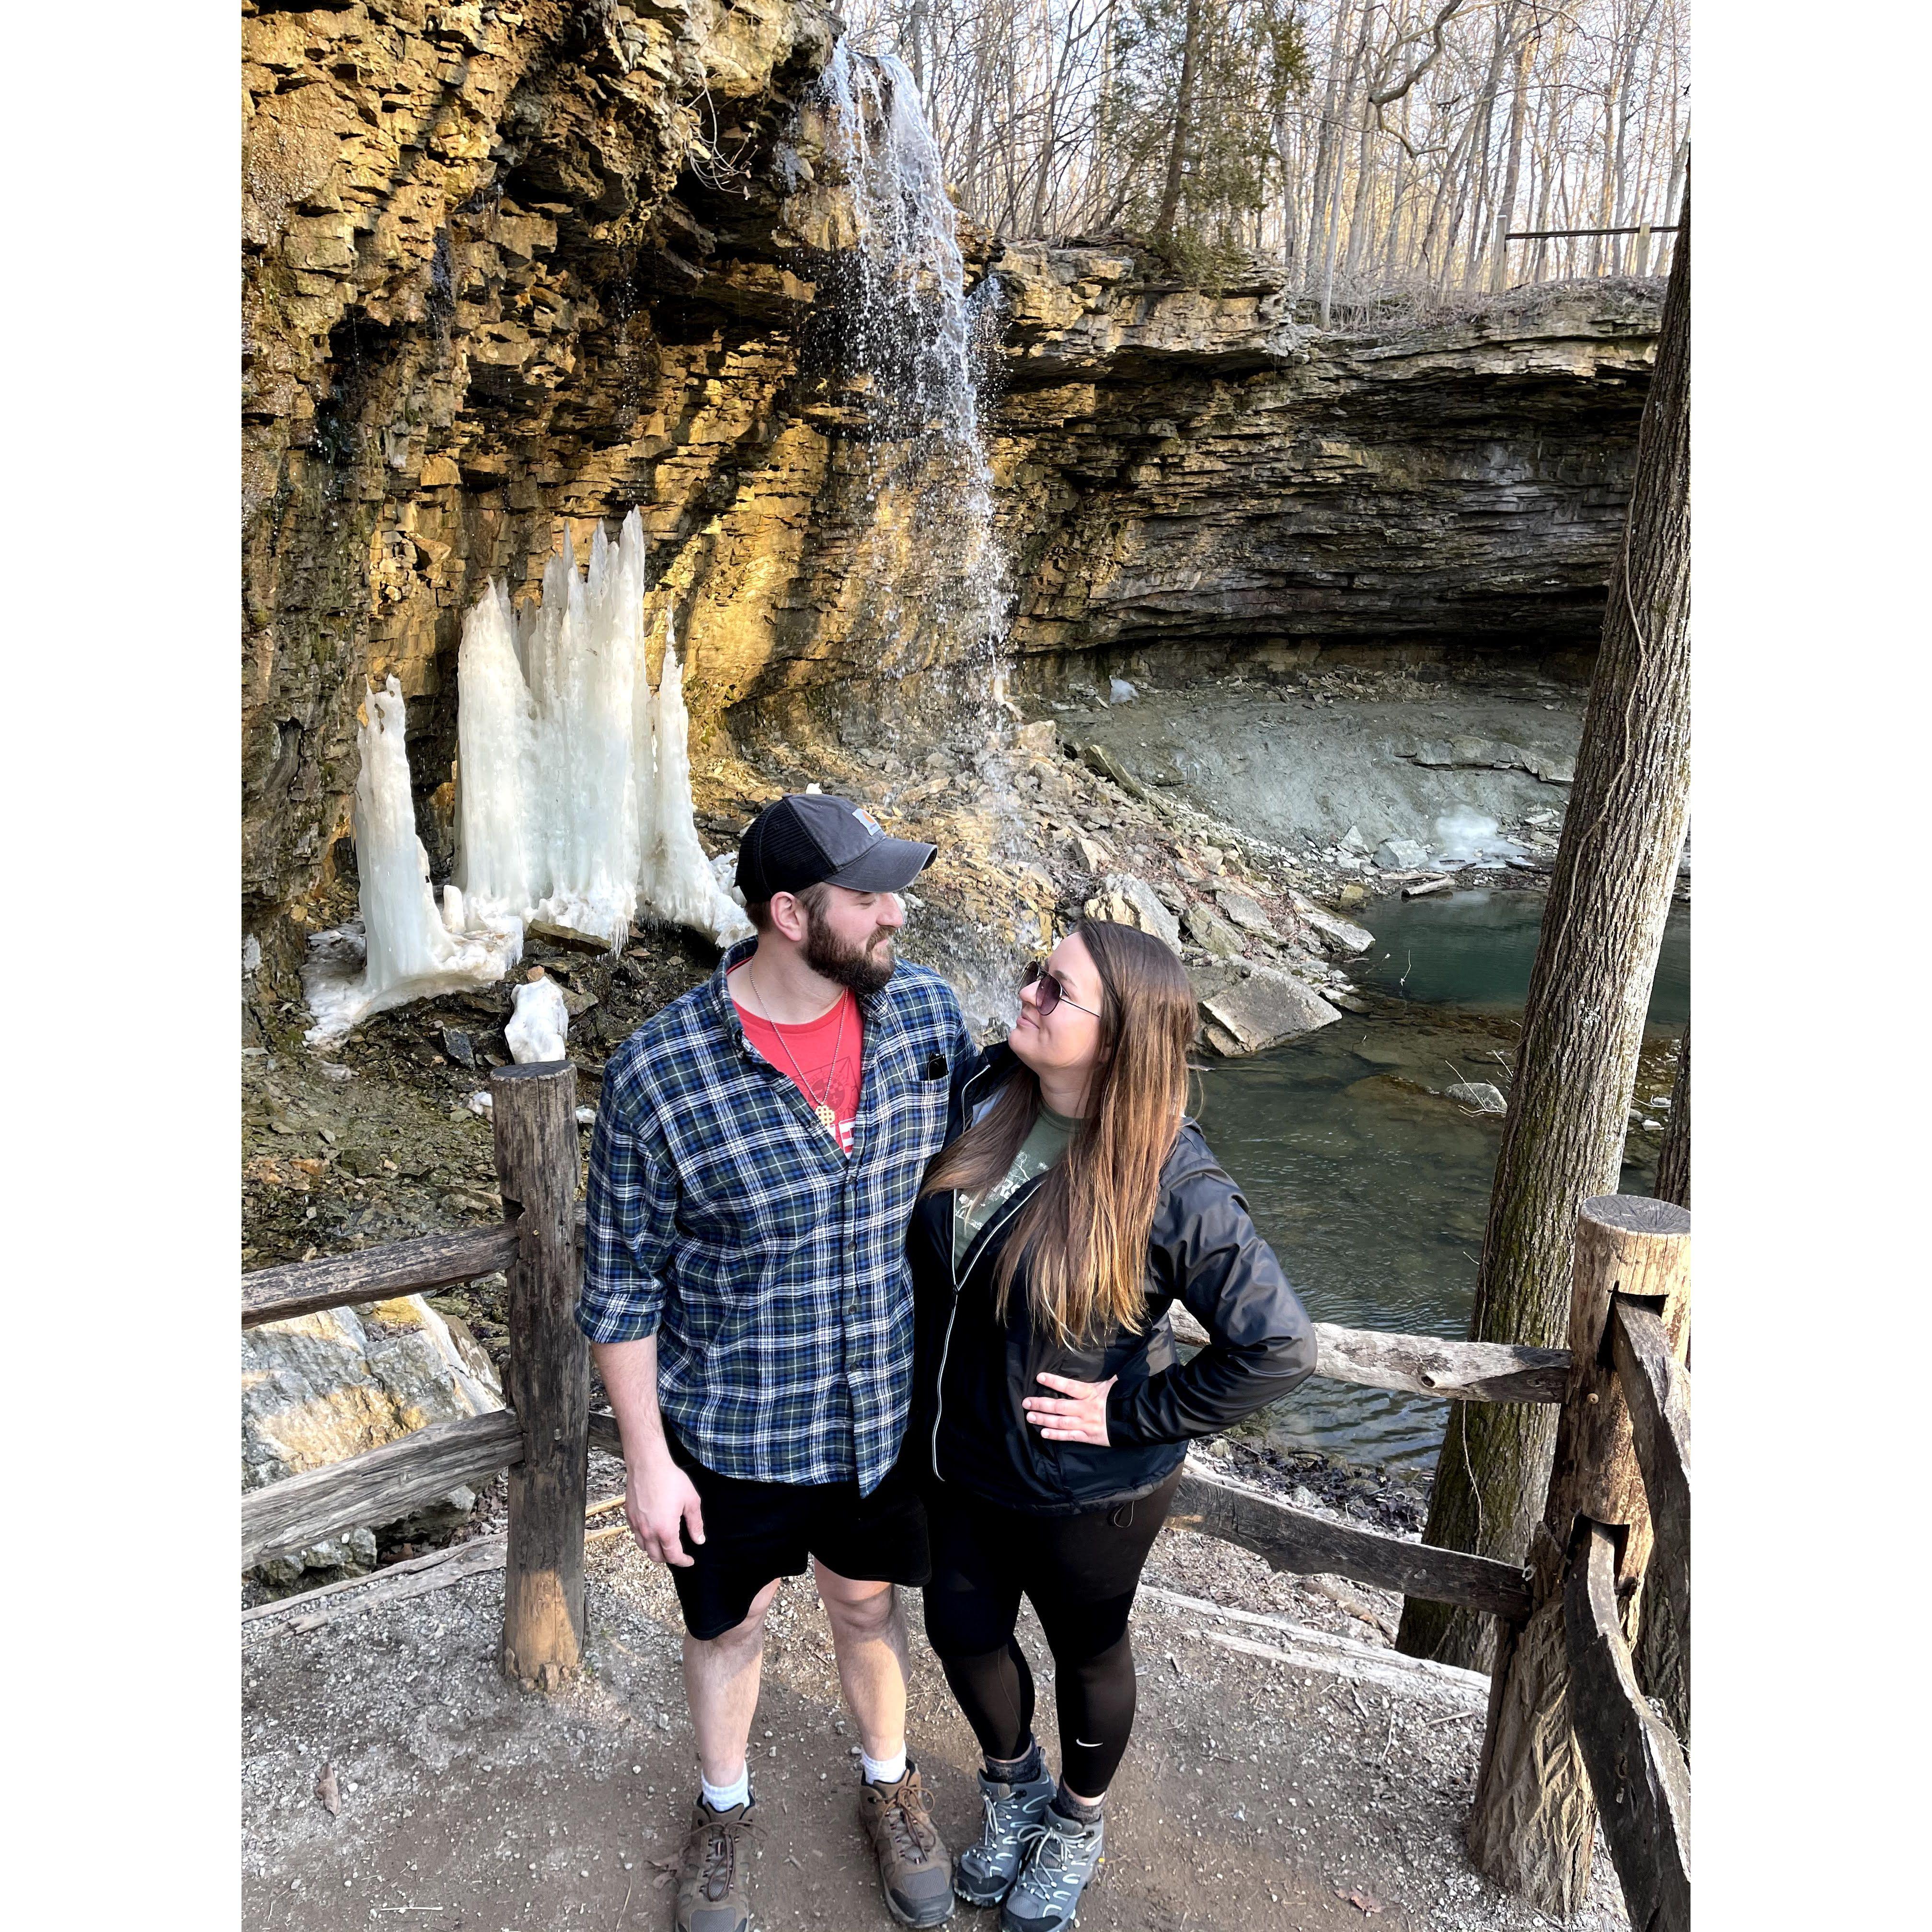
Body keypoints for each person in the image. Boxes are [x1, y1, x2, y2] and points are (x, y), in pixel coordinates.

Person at [579, 793, 978, 1932]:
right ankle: (722, 1805)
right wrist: (648, 1463)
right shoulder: (659, 1077)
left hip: (880, 1420)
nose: (897, 911)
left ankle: (890, 1784)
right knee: (730, 1628)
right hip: (733, 1434)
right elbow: (619, 1289)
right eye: (869, 896)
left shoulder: (924, 1018)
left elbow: (1015, 1119)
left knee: (866, 1611)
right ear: (791, 915)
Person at [908, 920, 1316, 1932]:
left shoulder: (1173, 1181)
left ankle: (1077, 1823)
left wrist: (1130, 1410)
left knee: (1088, 1651)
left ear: (1121, 1037)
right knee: (960, 1630)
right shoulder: (987, 1093)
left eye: (1059, 990)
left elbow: (1277, 1347)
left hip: (1088, 1489)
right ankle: (1013, 1788)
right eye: (1035, 973)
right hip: (959, 1459)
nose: (1031, 995)